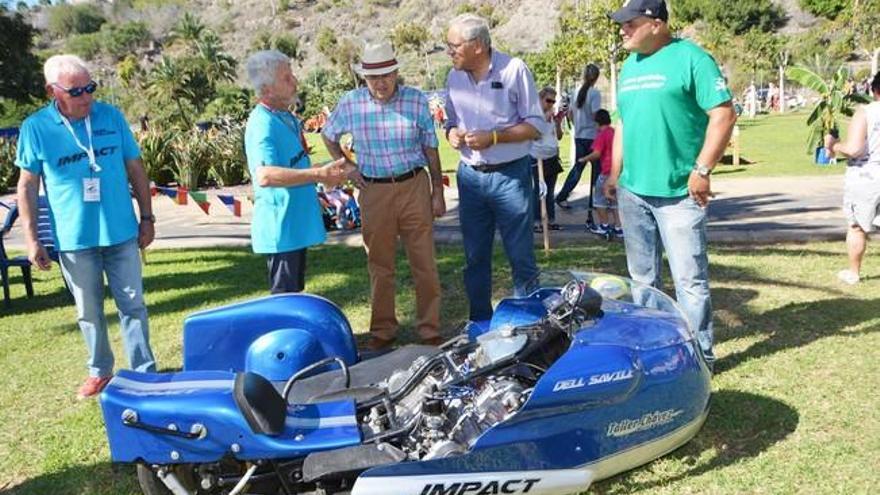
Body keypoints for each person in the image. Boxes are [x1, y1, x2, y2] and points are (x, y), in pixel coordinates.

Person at [15, 54, 157, 399]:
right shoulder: (35, 128)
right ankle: (100, 372)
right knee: (88, 312)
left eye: (90, 87)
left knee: (133, 305)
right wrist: (33, 239)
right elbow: (27, 185)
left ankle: (144, 373)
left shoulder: (111, 116)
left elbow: (135, 168)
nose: (87, 97)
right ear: (53, 91)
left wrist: (147, 217)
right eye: (77, 91)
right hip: (75, 239)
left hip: (121, 232)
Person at [603, 0, 737, 363]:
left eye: (630, 23)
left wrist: (703, 169)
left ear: (657, 24)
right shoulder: (629, 67)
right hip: (633, 192)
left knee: (689, 282)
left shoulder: (692, 59)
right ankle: (655, 349)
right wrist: (615, 175)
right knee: (642, 280)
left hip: (679, 192)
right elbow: (623, 125)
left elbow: (723, 114)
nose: (623, 30)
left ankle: (698, 358)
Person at [323, 40, 446, 350]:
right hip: (374, 190)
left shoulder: (416, 101)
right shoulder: (351, 103)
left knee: (425, 263)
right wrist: (349, 168)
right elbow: (328, 135)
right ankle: (382, 333)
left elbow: (431, 148)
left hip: (414, 185)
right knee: (380, 265)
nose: (380, 83)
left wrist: (436, 192)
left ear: (396, 73)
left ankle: (430, 331)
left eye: (385, 75)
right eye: (372, 77)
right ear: (364, 78)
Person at [444, 13, 543, 323]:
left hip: (510, 176)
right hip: (470, 178)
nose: (450, 52)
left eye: (454, 45)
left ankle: (529, 326)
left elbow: (536, 126)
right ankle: (479, 325)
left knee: (521, 258)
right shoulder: (453, 77)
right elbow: (449, 121)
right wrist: (452, 134)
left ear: (477, 46)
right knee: (475, 259)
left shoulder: (514, 70)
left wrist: (494, 137)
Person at [244, 50, 348, 294]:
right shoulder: (262, 123)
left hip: (294, 227)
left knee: (294, 294)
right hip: (281, 230)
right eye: (286, 78)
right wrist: (318, 175)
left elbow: (294, 166)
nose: (295, 82)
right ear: (267, 89)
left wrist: (329, 171)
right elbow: (266, 175)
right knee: (285, 299)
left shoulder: (285, 117)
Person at [824, 71, 880, 285]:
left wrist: (833, 146)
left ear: (874, 90)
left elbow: (855, 149)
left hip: (865, 175)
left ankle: (854, 272)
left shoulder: (865, 112)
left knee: (856, 225)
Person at [555, 64, 602, 227]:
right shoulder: (595, 93)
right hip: (593, 136)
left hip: (579, 136)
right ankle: (596, 201)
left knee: (578, 167)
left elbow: (570, 114)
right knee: (597, 170)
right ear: (596, 77)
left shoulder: (576, 92)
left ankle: (562, 195)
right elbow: (596, 114)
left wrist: (577, 127)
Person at [578, 109, 621, 237]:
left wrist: (583, 159)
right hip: (616, 171)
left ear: (597, 122)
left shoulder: (602, 135)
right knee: (614, 200)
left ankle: (604, 225)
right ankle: (619, 226)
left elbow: (596, 153)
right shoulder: (613, 132)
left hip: (606, 171)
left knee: (599, 200)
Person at [531, 86, 565, 232]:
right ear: (541, 99)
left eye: (553, 101)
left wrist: (557, 123)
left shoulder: (551, 117)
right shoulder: (534, 115)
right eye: (548, 101)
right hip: (537, 157)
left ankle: (550, 220)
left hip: (551, 156)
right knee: (538, 190)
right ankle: (536, 221)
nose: (551, 104)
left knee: (550, 191)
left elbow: (559, 136)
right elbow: (535, 134)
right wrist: (545, 119)